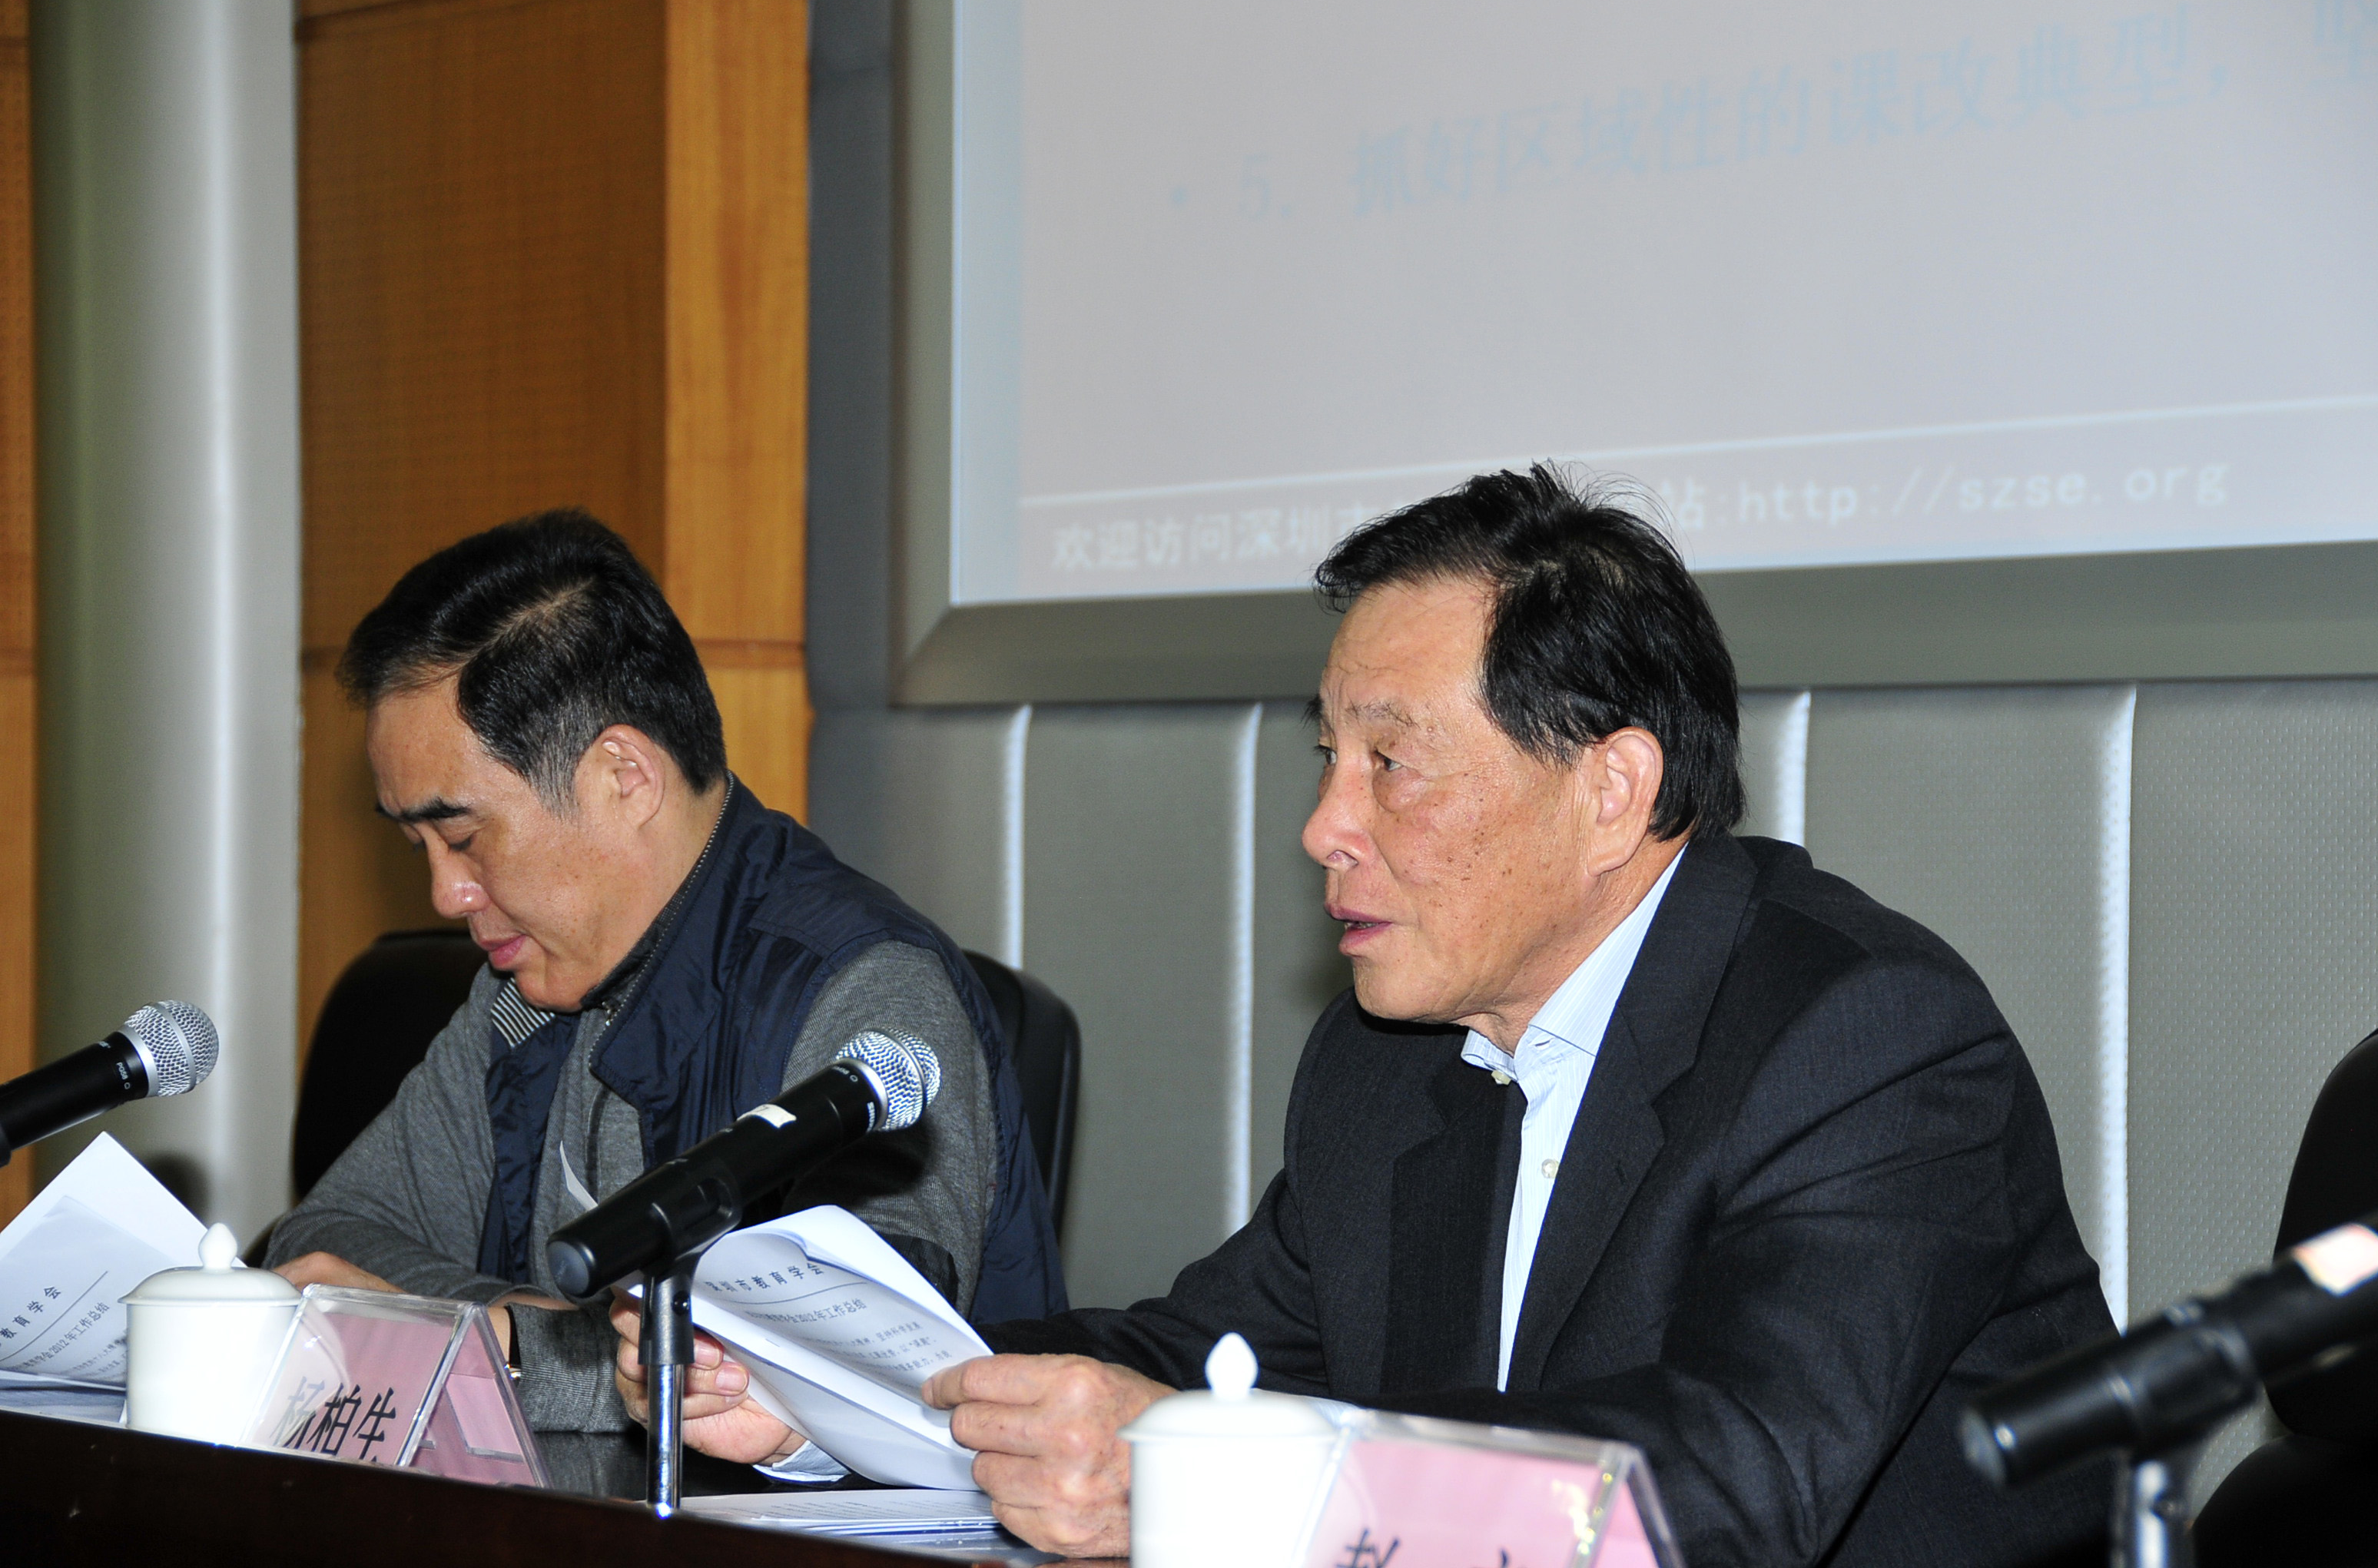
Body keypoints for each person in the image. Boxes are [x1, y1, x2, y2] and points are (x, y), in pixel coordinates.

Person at [915, 468, 2115, 1566]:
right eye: (1330, 756)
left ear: (1612, 793)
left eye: (1392, 764)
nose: (1324, 828)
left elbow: (1728, 1485)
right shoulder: (1387, 1057)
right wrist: (884, 1380)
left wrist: (1221, 1481)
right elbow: (1209, 1356)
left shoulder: (1865, 1040)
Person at [267, 510, 1063, 1454]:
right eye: (419, 848)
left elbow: (856, 1382)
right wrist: (524, 1331)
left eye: (465, 837)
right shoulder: (524, 993)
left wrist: (510, 1347)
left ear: (624, 777)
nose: (446, 894)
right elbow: (323, 1244)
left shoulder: (866, 997)